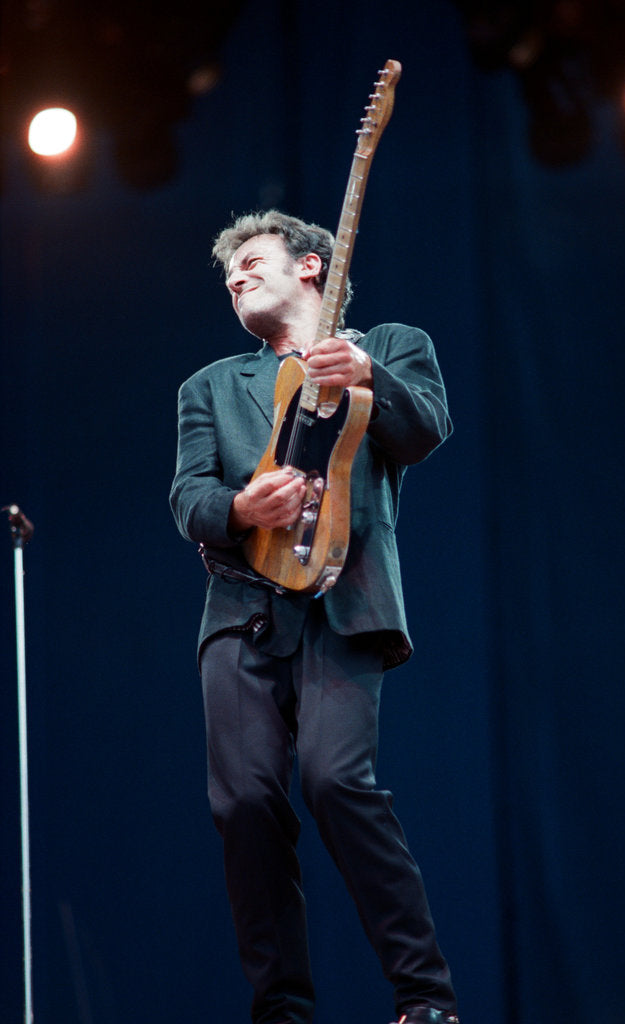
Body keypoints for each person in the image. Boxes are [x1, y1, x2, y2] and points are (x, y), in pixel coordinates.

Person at [169, 210, 459, 1024]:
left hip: (345, 600)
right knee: (244, 804)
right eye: (227, 275)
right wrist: (238, 504)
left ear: (310, 266)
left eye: (251, 260)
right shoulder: (209, 386)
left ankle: (424, 998)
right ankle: (283, 1010)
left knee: (336, 781)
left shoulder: (394, 344)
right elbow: (188, 496)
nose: (234, 278)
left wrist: (364, 372)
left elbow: (424, 431)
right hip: (242, 609)